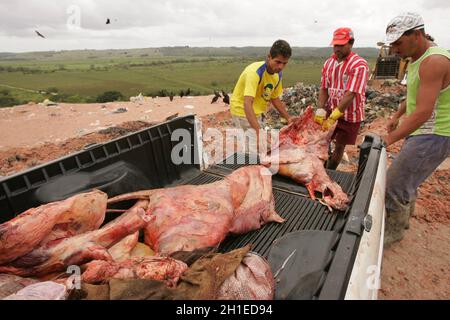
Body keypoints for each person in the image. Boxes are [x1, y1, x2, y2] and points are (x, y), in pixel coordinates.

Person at [381, 12, 450, 246]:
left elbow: (423, 112)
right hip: (424, 131)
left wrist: (388, 139)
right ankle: (405, 216)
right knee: (408, 176)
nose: (395, 49)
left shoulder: (435, 61)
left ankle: (394, 230)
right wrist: (397, 115)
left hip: (435, 133)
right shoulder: (416, 59)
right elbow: (413, 95)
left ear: (417, 34)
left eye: (399, 43)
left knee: (394, 182)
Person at [317, 28, 369, 170]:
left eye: (341, 45)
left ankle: (330, 170)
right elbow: (323, 89)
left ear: (351, 43)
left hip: (350, 114)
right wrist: (321, 109)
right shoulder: (328, 64)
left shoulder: (359, 65)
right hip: (331, 108)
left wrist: (334, 116)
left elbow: (350, 94)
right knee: (322, 141)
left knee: (340, 146)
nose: (337, 49)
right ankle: (321, 165)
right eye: (335, 45)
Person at [230, 40, 293, 154]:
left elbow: (275, 98)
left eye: (284, 63)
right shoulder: (254, 72)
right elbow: (247, 104)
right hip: (242, 111)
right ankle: (247, 168)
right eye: (278, 62)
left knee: (263, 146)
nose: (280, 67)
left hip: (257, 112)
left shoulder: (277, 74)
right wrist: (258, 132)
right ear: (269, 57)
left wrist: (288, 118)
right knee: (253, 151)